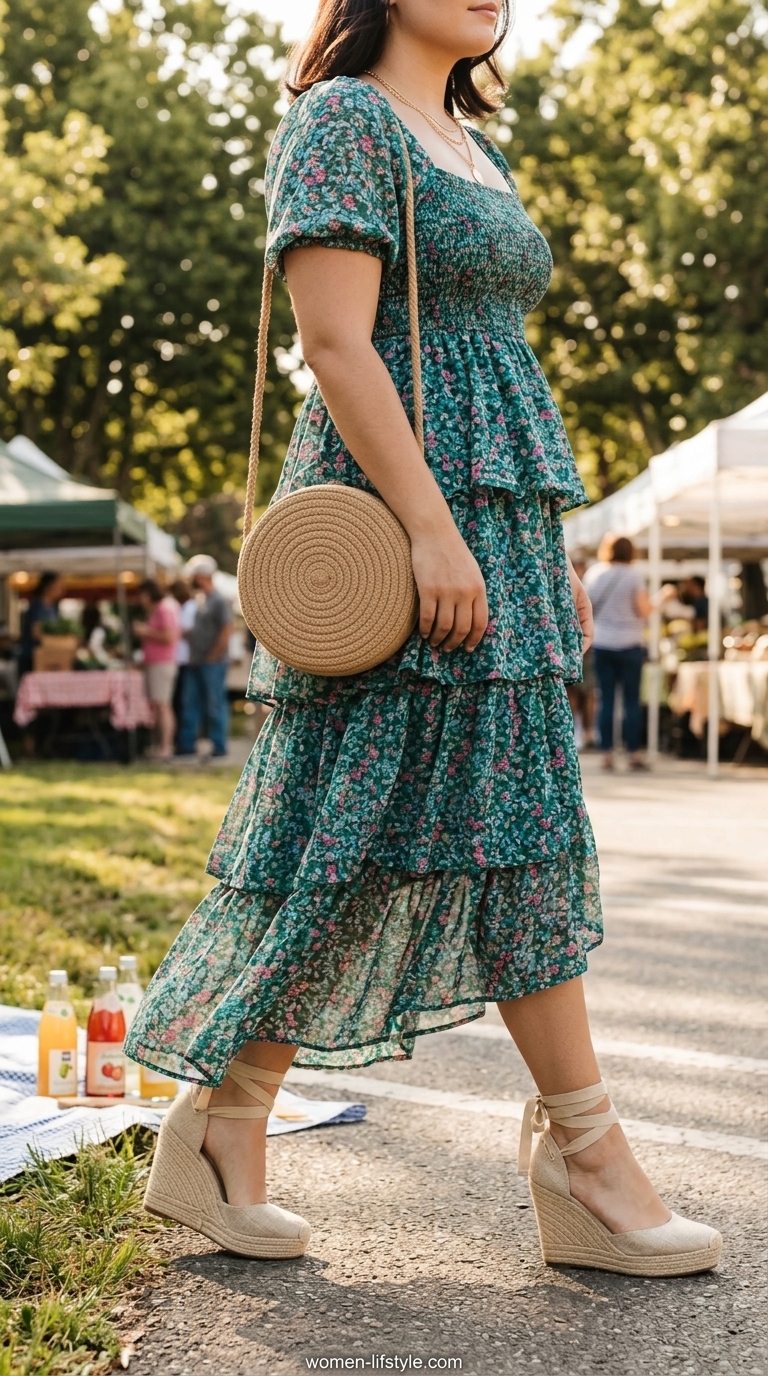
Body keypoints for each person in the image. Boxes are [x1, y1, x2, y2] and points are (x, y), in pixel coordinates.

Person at [126, 0, 720, 1277]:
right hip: (404, 521)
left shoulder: (462, 139)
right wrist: (435, 531)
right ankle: (573, 1151)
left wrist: (525, 546)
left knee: (488, 826)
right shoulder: (343, 120)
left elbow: (485, 349)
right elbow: (337, 343)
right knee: (358, 829)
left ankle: (246, 1127)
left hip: (489, 517)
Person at [584, 535, 652, 771]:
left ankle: (606, 754)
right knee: (632, 701)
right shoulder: (634, 575)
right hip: (630, 643)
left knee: (606, 699)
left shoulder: (595, 573)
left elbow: (586, 607)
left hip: (602, 643)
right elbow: (644, 610)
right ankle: (633, 754)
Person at [175, 555, 232, 759]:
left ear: (202, 576)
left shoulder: (219, 600)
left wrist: (213, 655)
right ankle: (187, 745)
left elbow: (227, 629)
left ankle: (219, 745)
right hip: (195, 660)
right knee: (190, 702)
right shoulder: (201, 599)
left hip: (212, 663)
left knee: (214, 703)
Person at [133, 579, 180, 761]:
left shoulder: (164, 609)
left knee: (163, 705)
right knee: (157, 706)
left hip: (163, 663)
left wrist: (146, 632)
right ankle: (159, 746)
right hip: (155, 663)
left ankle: (166, 748)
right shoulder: (157, 610)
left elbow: (169, 637)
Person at [566, 551, 597, 749]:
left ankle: (584, 732)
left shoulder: (592, 584)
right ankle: (580, 731)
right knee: (577, 693)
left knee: (584, 693)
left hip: (585, 647)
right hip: (580, 646)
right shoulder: (589, 584)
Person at [18, 571, 64, 677]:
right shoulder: (38, 606)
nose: (61, 588)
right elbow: (36, 633)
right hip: (31, 657)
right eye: (58, 585)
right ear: (48, 587)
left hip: (48, 657)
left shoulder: (53, 608)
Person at [170, 579, 198, 752]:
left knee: (186, 702)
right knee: (179, 702)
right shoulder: (180, 608)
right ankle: (181, 741)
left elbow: (189, 629)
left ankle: (186, 743)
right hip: (178, 659)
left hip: (186, 660)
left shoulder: (190, 607)